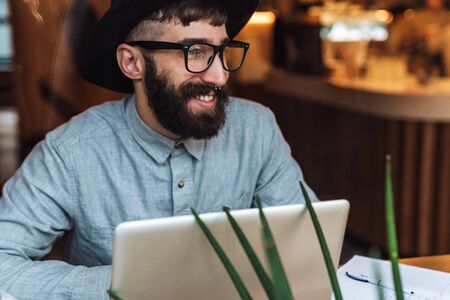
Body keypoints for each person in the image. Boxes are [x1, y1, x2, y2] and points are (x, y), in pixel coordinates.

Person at [0, 0, 317, 299]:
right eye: (195, 52)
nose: (220, 76)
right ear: (132, 62)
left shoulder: (256, 130)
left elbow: (310, 243)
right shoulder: (69, 152)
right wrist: (128, 286)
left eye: (222, 51)